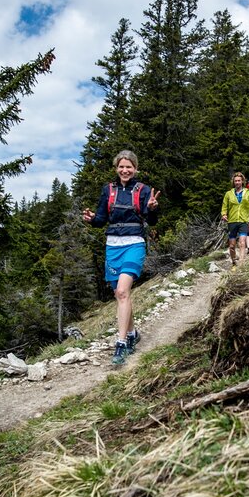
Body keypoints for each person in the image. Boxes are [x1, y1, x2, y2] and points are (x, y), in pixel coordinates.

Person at [82, 150, 160, 366]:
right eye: (121, 167)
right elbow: (101, 219)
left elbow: (151, 220)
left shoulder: (143, 190)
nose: (125, 170)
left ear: (135, 169)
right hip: (112, 245)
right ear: (116, 168)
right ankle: (133, 332)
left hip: (135, 243)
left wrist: (153, 208)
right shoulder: (108, 190)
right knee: (119, 294)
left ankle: (121, 342)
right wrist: (91, 220)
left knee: (123, 291)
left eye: (129, 167)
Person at [220, 171, 249, 269]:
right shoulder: (228, 194)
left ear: (242, 181)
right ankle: (234, 263)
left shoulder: (248, 194)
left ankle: (241, 263)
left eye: (239, 181)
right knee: (232, 245)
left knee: (242, 242)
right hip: (232, 221)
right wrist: (224, 214)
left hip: (244, 221)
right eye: (235, 181)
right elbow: (224, 206)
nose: (237, 182)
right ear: (233, 182)